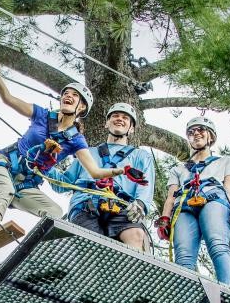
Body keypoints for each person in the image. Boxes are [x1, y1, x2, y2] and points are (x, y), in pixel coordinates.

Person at [0, 51, 147, 229]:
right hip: (4, 163)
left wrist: (123, 170)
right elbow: (8, 99)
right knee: (5, 192)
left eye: (74, 95)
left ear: (81, 107)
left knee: (56, 214)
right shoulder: (42, 115)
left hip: (25, 182)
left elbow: (96, 172)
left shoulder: (76, 140)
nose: (68, 96)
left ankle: (38, 248)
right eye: (66, 93)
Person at [48, 102, 153, 251]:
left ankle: (133, 270)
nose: (119, 119)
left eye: (125, 118)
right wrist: (44, 164)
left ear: (131, 128)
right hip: (85, 203)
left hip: (122, 204)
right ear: (106, 123)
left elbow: (146, 184)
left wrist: (140, 204)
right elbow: (63, 183)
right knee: (93, 250)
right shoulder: (86, 152)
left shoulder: (140, 156)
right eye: (115, 116)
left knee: (135, 234)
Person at [154, 116, 230, 284]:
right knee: (184, 256)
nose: (196, 134)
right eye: (191, 132)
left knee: (218, 245)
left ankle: (227, 292)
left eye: (201, 130)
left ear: (210, 136)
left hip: (213, 200)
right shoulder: (178, 169)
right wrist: (165, 218)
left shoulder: (224, 161)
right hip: (184, 206)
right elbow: (171, 196)